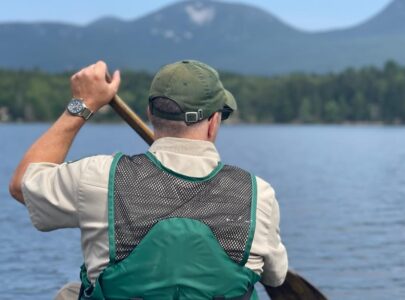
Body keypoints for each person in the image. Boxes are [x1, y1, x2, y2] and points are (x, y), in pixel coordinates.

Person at [9, 60, 288, 299]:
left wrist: (82, 104)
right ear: (214, 121)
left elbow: (23, 183)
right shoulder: (258, 195)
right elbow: (275, 278)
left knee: (70, 293)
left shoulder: (98, 177)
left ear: (150, 114)